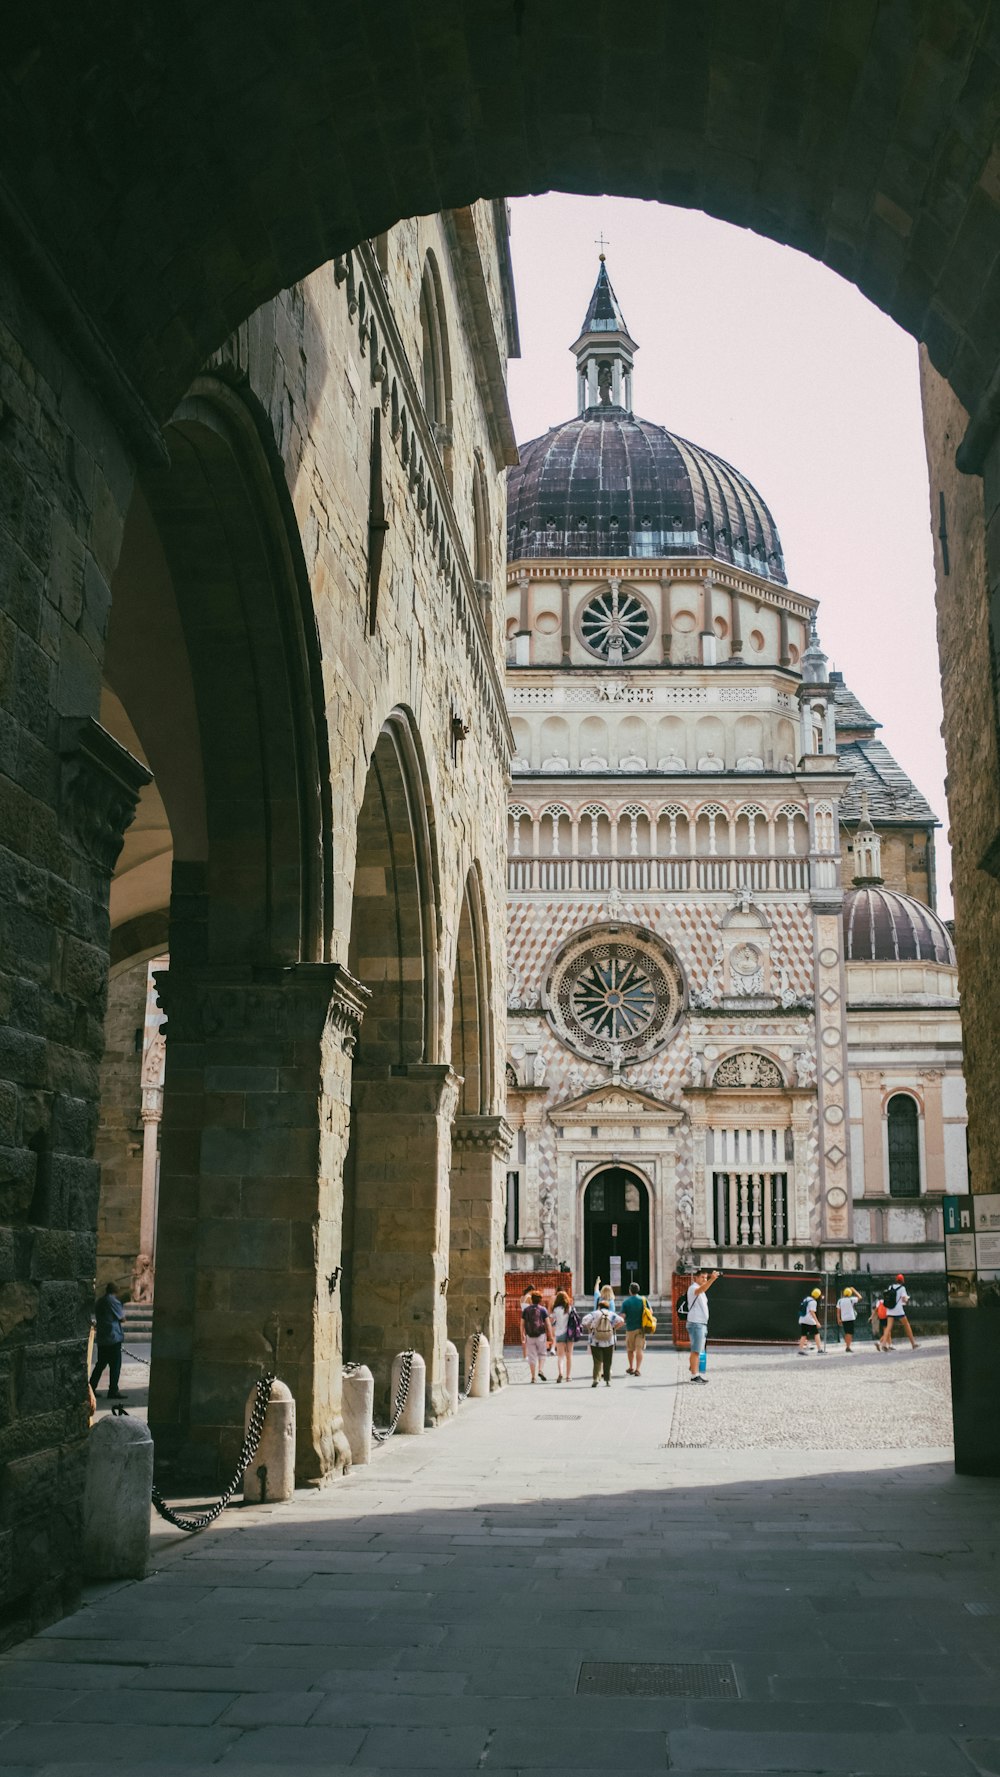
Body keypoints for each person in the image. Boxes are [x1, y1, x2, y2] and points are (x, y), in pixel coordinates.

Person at [89, 1280, 126, 1399]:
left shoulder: (100, 1301)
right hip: (113, 1337)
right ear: (116, 1290)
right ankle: (113, 1390)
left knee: (100, 1364)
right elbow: (121, 1318)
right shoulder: (113, 1301)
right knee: (115, 1366)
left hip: (103, 1338)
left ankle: (91, 1388)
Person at [685, 1267, 719, 1384]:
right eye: (702, 1277)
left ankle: (693, 1370)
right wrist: (712, 1279)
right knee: (696, 1350)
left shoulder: (701, 1291)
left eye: (706, 1277)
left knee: (697, 1349)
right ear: (696, 1278)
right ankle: (694, 1376)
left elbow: (703, 1289)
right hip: (696, 1323)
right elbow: (701, 1289)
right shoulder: (693, 1288)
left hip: (700, 1323)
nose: (704, 1279)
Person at [581, 1294, 624, 1387]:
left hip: (595, 1339)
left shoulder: (595, 1313)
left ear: (599, 1306)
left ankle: (596, 1378)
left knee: (597, 1360)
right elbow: (621, 1321)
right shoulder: (611, 1314)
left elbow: (584, 1321)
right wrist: (614, 1328)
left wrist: (590, 1328)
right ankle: (608, 1380)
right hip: (609, 1339)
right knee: (608, 1360)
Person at [521, 1289, 554, 1382]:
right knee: (542, 1354)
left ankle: (533, 1377)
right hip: (541, 1335)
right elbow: (548, 1324)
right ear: (540, 1300)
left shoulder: (526, 1310)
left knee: (531, 1356)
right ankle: (540, 1370)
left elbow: (522, 1323)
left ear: (531, 1299)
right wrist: (550, 1335)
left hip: (529, 1335)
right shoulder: (543, 1309)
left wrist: (522, 1334)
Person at [879, 1274, 919, 1350]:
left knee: (888, 1327)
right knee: (906, 1325)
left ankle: (883, 1344)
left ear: (896, 1280)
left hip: (890, 1310)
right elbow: (904, 1299)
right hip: (898, 1310)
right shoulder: (902, 1288)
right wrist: (907, 1299)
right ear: (903, 1280)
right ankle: (913, 1343)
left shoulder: (890, 1286)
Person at [620, 1281, 650, 1376]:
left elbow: (622, 1316)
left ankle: (631, 1367)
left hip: (630, 1328)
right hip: (641, 1328)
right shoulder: (643, 1300)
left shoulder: (626, 1302)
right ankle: (638, 1369)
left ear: (630, 1291)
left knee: (630, 1349)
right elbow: (650, 1312)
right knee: (639, 1349)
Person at [551, 1289, 573, 1383]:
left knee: (560, 1356)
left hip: (559, 1334)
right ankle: (568, 1376)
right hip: (569, 1333)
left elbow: (552, 1320)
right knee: (569, 1356)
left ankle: (560, 1373)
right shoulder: (569, 1308)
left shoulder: (556, 1310)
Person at [797, 1287, 824, 1353]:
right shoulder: (813, 1302)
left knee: (803, 1335)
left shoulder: (806, 1299)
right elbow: (812, 1312)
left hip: (802, 1319)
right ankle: (819, 1349)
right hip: (809, 1320)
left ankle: (800, 1350)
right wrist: (817, 1322)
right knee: (816, 1334)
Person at [836, 1285, 861, 1351]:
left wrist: (838, 1319)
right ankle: (848, 1347)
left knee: (847, 1332)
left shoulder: (840, 1301)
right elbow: (860, 1297)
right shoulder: (851, 1299)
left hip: (844, 1318)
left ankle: (847, 1345)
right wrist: (854, 1290)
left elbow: (838, 1311)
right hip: (851, 1318)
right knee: (850, 1333)